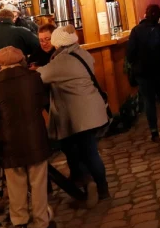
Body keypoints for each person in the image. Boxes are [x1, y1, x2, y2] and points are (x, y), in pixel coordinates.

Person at [40, 27, 111, 204]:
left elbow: (41, 76)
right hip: (90, 109)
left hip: (79, 114)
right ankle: (98, 187)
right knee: (87, 150)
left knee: (86, 151)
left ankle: (93, 186)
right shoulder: (81, 53)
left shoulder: (62, 60)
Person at [0, 46, 54, 228]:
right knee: (38, 183)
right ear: (21, 61)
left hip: (10, 142)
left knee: (15, 185)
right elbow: (43, 102)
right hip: (35, 137)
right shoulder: (33, 78)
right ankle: (41, 224)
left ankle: (20, 225)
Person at [126, 4, 160, 141]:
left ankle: (154, 132)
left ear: (145, 14)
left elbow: (130, 53)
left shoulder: (136, 30)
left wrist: (135, 62)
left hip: (143, 71)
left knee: (149, 101)